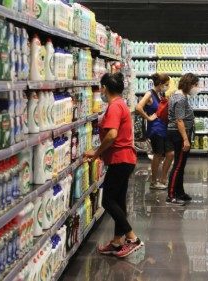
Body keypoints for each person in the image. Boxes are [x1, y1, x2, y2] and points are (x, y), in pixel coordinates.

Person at [84, 72, 143, 258]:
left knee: (107, 200)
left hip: (120, 159)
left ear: (105, 88)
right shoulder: (121, 104)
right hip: (125, 159)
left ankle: (132, 238)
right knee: (118, 201)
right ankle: (117, 242)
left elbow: (111, 135)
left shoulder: (115, 106)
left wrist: (96, 152)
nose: (100, 91)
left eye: (101, 88)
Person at [135, 73, 174, 190]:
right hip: (156, 129)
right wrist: (148, 117)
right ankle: (153, 181)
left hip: (164, 127)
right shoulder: (150, 93)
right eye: (166, 84)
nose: (167, 86)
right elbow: (138, 107)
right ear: (161, 84)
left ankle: (163, 179)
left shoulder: (160, 93)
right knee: (158, 155)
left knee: (170, 154)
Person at [166, 73, 199, 206]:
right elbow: (179, 120)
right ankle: (171, 195)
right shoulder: (180, 99)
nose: (197, 88)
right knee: (178, 166)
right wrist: (185, 139)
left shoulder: (178, 95)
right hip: (179, 134)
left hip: (178, 133)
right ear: (189, 85)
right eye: (195, 85)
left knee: (181, 165)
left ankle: (180, 192)